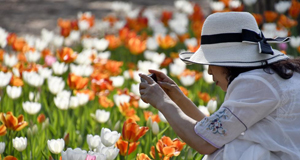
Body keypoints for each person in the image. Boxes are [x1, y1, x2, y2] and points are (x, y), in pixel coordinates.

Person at [139, 12, 300, 160]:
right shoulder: (272, 75)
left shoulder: (256, 83)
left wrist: (162, 102)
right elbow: (215, 133)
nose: (209, 71)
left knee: (237, 149)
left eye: (211, 63)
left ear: (228, 62)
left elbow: (204, 143)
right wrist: (177, 98)